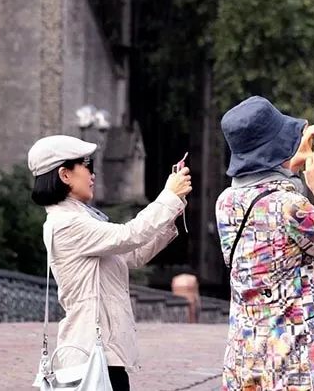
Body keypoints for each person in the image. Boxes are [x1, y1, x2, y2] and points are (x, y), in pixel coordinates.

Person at [27, 135, 192, 391]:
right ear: (65, 175)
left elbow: (132, 255)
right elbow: (129, 234)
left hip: (105, 353)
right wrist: (168, 197)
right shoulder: (66, 224)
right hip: (91, 354)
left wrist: (173, 209)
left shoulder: (83, 219)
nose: (93, 174)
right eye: (87, 165)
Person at [216, 96, 314, 390]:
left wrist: (288, 166)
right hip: (294, 357)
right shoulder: (291, 206)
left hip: (247, 354)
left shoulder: (225, 202)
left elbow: (263, 195)